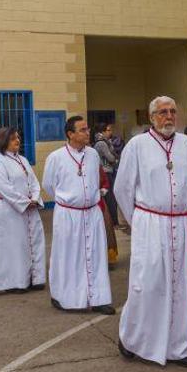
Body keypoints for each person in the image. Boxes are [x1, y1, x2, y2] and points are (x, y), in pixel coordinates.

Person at [115, 96, 187, 368]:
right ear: (152, 117)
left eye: (173, 112)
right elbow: (122, 189)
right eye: (163, 112)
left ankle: (180, 347)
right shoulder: (137, 146)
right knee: (148, 283)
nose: (169, 117)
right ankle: (133, 339)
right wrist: (139, 221)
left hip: (182, 223)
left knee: (181, 285)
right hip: (151, 224)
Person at [41, 116, 114, 315]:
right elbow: (48, 185)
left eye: (87, 128)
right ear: (70, 134)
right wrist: (69, 200)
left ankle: (98, 298)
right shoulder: (56, 157)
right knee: (68, 256)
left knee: (96, 255)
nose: (87, 132)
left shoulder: (92, 154)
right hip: (68, 214)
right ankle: (64, 297)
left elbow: (98, 179)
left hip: (92, 212)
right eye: (82, 130)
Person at [0, 128, 45, 293]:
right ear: (4, 141)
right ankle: (11, 282)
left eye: (18, 137)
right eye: (12, 139)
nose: (17, 141)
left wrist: (34, 198)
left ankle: (33, 278)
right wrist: (25, 202)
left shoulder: (23, 160)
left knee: (28, 243)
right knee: (11, 246)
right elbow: (5, 188)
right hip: (6, 209)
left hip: (26, 208)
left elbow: (33, 181)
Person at [94, 123, 121, 227]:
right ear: (103, 132)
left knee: (109, 198)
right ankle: (113, 222)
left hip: (108, 171)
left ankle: (112, 222)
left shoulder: (106, 142)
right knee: (110, 199)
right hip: (106, 172)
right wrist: (116, 159)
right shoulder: (102, 143)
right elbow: (111, 158)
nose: (111, 132)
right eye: (108, 130)